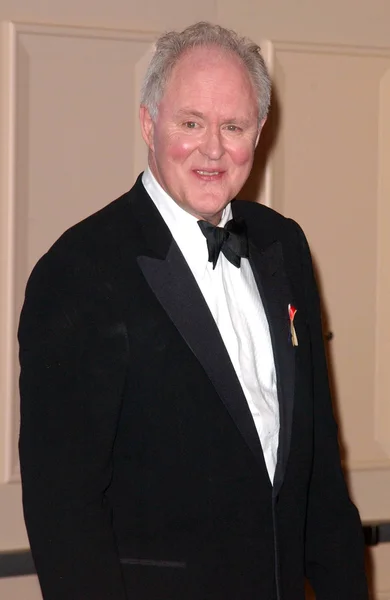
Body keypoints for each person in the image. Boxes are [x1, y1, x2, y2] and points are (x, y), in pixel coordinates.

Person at [18, 21, 368, 600]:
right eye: (190, 123)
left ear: (258, 133)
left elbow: (319, 477)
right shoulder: (79, 271)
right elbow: (65, 515)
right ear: (148, 124)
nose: (213, 149)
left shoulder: (285, 247)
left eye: (233, 126)